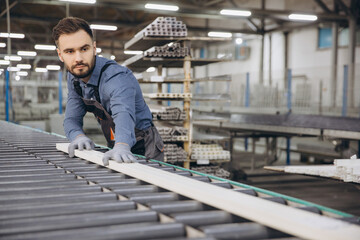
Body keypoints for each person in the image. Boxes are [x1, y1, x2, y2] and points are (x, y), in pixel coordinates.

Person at [52, 17, 164, 164]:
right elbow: (71, 119)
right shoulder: (74, 78)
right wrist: (78, 136)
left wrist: (122, 145)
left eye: (84, 49)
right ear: (60, 55)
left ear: (94, 48)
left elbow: (123, 113)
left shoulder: (116, 78)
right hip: (115, 142)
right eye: (69, 51)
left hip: (144, 145)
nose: (78, 58)